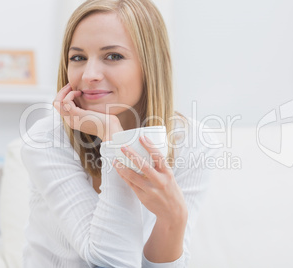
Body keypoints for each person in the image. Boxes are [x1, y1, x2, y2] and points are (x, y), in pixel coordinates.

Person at [20, 0, 222, 267]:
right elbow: (112, 261)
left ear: (150, 65)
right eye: (78, 57)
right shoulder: (47, 138)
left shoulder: (193, 141)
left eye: (113, 56)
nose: (89, 74)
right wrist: (112, 136)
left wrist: (173, 219)